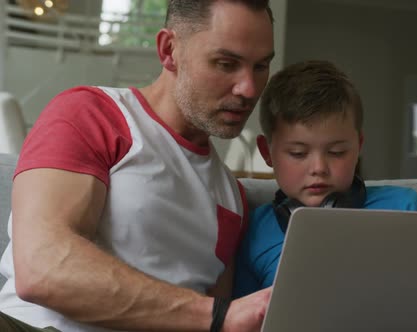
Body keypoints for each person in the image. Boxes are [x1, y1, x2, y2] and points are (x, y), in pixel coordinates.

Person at [0, 0, 275, 331]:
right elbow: (41, 269)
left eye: (260, 67)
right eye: (226, 63)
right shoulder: (93, 115)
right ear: (169, 50)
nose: (248, 88)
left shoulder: (232, 198)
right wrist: (217, 315)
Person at [233, 60, 417, 298]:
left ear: (359, 146)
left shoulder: (404, 208)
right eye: (298, 153)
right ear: (267, 153)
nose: (319, 168)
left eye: (337, 152)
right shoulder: (254, 230)